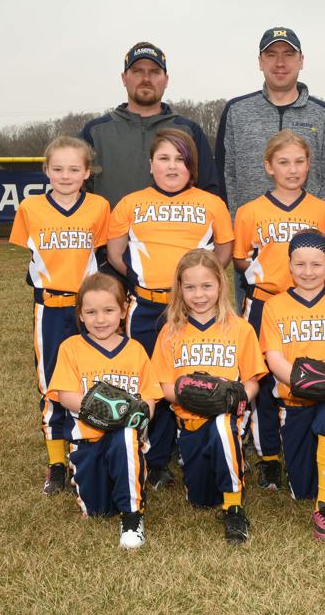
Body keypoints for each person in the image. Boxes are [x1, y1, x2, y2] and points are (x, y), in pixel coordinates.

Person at [106, 127, 234, 490]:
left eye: (181, 159)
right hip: (147, 307)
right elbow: (115, 254)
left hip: (194, 310)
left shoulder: (211, 203)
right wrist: (144, 281)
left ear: (192, 167)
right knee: (150, 383)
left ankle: (195, 445)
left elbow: (223, 251)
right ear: (151, 164)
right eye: (164, 158)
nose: (172, 166)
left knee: (193, 377)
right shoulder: (130, 203)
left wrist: (198, 286)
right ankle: (155, 458)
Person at [8, 136, 111, 495]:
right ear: (46, 170)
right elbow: (32, 259)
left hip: (88, 308)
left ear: (87, 172)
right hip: (49, 307)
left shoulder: (99, 207)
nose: (65, 175)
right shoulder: (30, 207)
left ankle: (91, 448)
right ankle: (56, 464)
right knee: (51, 381)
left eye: (74, 168)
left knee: (92, 376)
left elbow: (102, 257)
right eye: (58, 168)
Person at [233, 131, 325, 491]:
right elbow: (241, 258)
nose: (292, 169)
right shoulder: (250, 211)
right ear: (268, 166)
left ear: (309, 165)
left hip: (307, 305)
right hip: (264, 302)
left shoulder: (323, 211)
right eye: (283, 162)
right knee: (261, 378)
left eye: (299, 162)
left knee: (306, 373)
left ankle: (309, 444)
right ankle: (269, 457)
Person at [148, 249, 267, 545]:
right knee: (202, 500)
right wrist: (192, 398)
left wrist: (235, 398)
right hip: (189, 424)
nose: (199, 294)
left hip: (228, 419)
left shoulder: (240, 329)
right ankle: (227, 469)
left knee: (223, 425)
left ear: (220, 285)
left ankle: (234, 509)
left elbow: (252, 381)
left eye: (206, 286)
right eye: (190, 287)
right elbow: (163, 386)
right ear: (179, 289)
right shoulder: (170, 332)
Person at [259, 230, 325, 540]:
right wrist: (303, 383)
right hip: (294, 400)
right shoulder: (275, 306)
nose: (308, 272)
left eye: (317, 264)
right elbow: (274, 359)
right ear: (289, 265)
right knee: (302, 489)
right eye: (300, 264)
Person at [47, 273, 161, 550]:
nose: (100, 319)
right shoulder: (71, 348)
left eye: (108, 310)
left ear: (123, 311)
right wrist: (104, 411)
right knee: (98, 510)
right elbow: (65, 396)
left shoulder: (135, 350)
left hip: (125, 443)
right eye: (91, 312)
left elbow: (149, 398)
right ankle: (112, 493)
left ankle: (132, 518)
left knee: (126, 435)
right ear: (80, 315)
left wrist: (138, 415)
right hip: (87, 444)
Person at [217, 26, 325, 219]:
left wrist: (321, 228)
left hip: (308, 231)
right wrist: (234, 225)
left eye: (289, 55)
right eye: (271, 55)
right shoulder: (236, 111)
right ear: (260, 61)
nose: (280, 63)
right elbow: (225, 175)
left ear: (301, 60)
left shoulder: (322, 114)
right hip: (249, 231)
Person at [81, 41, 223, 206]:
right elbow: (72, 191)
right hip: (112, 223)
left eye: (155, 72)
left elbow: (209, 194)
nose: (146, 79)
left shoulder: (189, 131)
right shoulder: (94, 132)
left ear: (166, 80)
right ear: (124, 78)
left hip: (174, 223)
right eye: (137, 71)